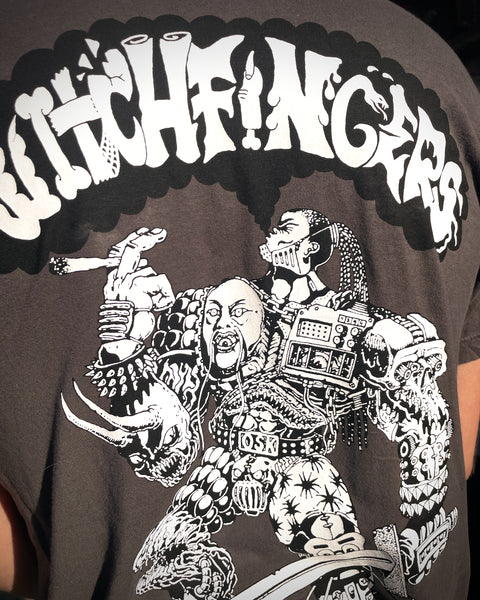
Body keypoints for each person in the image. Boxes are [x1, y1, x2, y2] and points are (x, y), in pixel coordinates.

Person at [0, 1, 479, 599]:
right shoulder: (434, 68)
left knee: (344, 570)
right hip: (224, 462)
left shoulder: (340, 324)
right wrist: (128, 337)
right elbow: (466, 435)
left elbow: (432, 415)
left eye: (288, 232)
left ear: (310, 252)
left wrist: (421, 515)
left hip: (300, 471)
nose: (274, 236)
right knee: (161, 558)